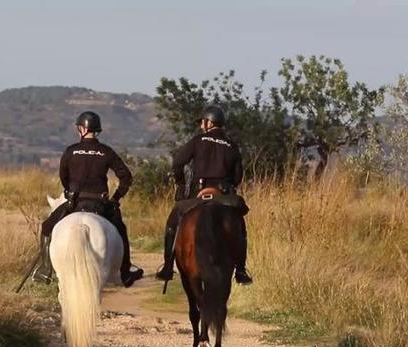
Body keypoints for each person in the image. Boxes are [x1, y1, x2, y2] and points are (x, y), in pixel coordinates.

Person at [32, 111, 144, 287]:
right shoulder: (106, 152)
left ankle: (45, 270)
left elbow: (64, 176)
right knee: (121, 230)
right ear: (96, 130)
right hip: (100, 204)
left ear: (82, 129)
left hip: (75, 203)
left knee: (46, 227)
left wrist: (70, 191)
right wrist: (115, 198)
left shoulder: (71, 151)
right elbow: (126, 177)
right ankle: (125, 272)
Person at [155, 105, 253, 285]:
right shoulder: (232, 145)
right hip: (224, 195)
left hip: (198, 194)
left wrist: (181, 184)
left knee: (173, 223)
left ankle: (168, 266)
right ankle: (240, 269)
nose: (201, 126)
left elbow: (178, 162)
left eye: (202, 122)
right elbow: (238, 176)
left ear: (209, 122)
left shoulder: (198, 140)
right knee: (240, 227)